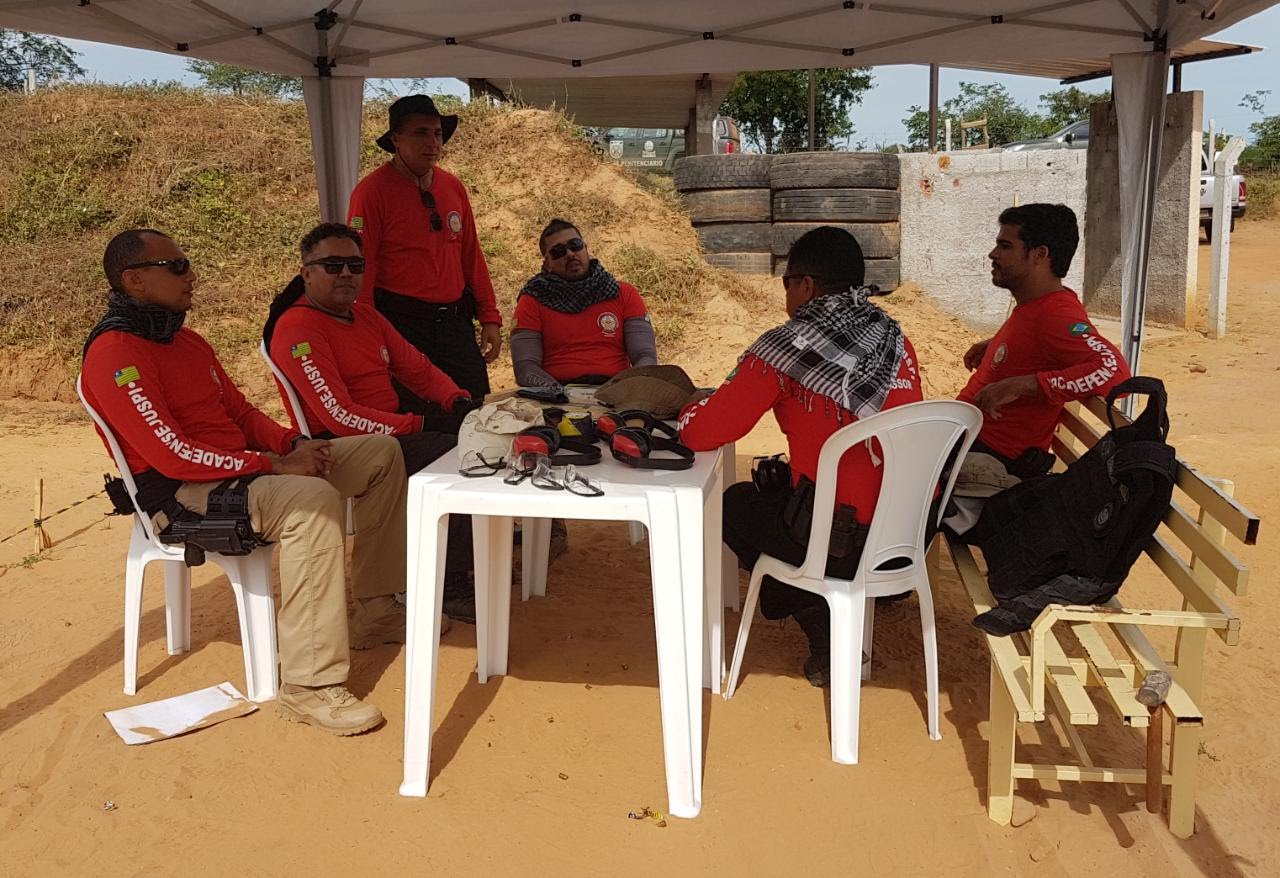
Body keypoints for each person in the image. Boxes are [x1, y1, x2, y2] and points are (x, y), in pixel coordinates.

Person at [83, 229, 411, 736]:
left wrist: (290, 444)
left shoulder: (187, 341)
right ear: (136, 280)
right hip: (183, 494)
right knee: (311, 500)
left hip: (240, 470)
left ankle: (376, 608)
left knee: (379, 452)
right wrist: (274, 466)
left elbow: (238, 411)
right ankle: (308, 685)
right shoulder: (113, 355)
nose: (191, 274)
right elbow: (172, 455)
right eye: (177, 265)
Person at [678, 226, 923, 687]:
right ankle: (866, 597)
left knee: (735, 506)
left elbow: (704, 433)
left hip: (842, 543)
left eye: (786, 282)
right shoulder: (894, 340)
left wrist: (691, 405)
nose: (785, 295)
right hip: (907, 538)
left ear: (805, 285)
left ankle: (825, 626)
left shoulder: (787, 348)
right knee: (789, 487)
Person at [264, 222, 479, 623]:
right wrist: (415, 424)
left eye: (355, 265)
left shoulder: (365, 316)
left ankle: (472, 556)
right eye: (332, 265)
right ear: (306, 272)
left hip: (385, 430)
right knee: (450, 454)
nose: (346, 273)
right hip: (337, 445)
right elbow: (337, 415)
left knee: (477, 432)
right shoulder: (298, 330)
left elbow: (418, 368)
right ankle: (449, 581)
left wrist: (458, 400)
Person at [949, 203, 1131, 532]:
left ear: (1039, 254)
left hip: (988, 466)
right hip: (967, 448)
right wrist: (997, 345)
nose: (993, 254)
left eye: (1005, 246)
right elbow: (1040, 341)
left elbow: (1112, 368)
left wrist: (1024, 384)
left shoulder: (1055, 314)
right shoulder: (1036, 309)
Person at [347, 94, 502, 399]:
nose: (433, 142)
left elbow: (471, 255)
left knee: (475, 407)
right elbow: (362, 266)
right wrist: (367, 335)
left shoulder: (453, 187)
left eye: (437, 133)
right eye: (421, 132)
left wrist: (490, 317)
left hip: (455, 324)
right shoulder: (371, 192)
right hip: (403, 327)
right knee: (421, 414)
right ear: (396, 139)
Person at [511, 218, 657, 392]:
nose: (570, 254)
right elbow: (525, 368)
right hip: (556, 393)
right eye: (558, 251)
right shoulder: (532, 299)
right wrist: (558, 394)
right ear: (547, 263)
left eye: (575, 244)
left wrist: (625, 390)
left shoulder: (624, 293)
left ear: (586, 248)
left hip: (616, 390)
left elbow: (645, 356)